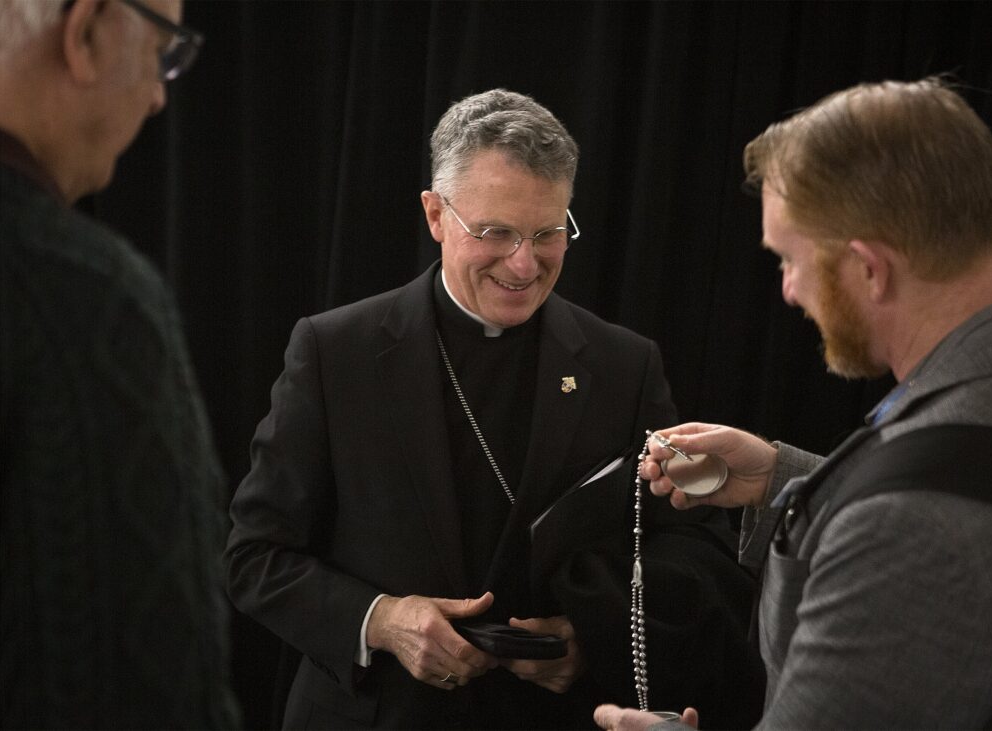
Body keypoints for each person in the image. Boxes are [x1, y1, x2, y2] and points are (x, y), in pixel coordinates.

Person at [225, 88, 764, 730]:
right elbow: (255, 556)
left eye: (547, 233)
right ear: (434, 214)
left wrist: (593, 634)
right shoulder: (335, 351)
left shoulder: (623, 365)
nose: (524, 263)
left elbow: (688, 546)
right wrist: (382, 620)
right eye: (495, 233)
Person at [594, 77, 992, 731]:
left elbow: (924, 527)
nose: (790, 292)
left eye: (791, 260)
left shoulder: (906, 528)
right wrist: (782, 480)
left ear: (869, 269)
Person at [0, 0, 239, 727]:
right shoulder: (83, 300)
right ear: (85, 34)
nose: (162, 93)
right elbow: (153, 693)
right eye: (163, 50)